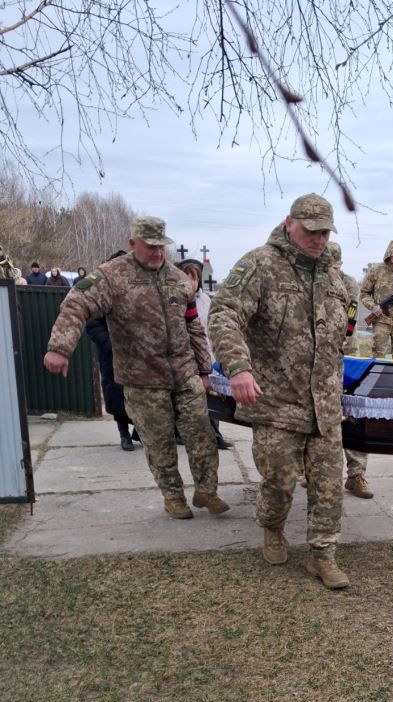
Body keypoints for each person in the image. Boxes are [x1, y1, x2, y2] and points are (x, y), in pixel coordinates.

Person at [43, 215, 228, 520]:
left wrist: (205, 371)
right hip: (142, 379)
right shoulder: (112, 276)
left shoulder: (179, 279)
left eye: (161, 247)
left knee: (202, 433)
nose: (157, 253)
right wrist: (60, 348)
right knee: (159, 443)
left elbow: (193, 325)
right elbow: (77, 304)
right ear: (132, 243)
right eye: (150, 247)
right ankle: (173, 497)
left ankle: (206, 490)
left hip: (184, 373)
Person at [208, 193, 350, 589]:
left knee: (327, 484)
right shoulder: (259, 265)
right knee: (278, 483)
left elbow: (338, 334)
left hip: (324, 405)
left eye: (325, 232)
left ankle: (323, 554)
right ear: (290, 223)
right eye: (311, 231)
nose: (319, 240)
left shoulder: (331, 275)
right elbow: (224, 314)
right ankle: (272, 527)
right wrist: (237, 367)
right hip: (276, 403)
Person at [327, 241, 374, 500]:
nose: (332, 272)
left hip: (346, 353)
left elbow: (351, 317)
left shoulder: (348, 284)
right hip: (317, 358)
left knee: (353, 412)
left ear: (340, 265)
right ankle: (307, 469)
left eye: (335, 267)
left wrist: (339, 346)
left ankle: (356, 474)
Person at [84, 250, 141, 451]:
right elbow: (92, 324)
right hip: (113, 356)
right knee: (117, 396)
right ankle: (124, 433)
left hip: (138, 356)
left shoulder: (138, 291)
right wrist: (111, 345)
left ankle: (139, 431)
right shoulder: (101, 292)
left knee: (141, 395)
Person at [176, 257, 233, 450]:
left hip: (207, 355)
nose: (192, 282)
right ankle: (195, 435)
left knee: (215, 397)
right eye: (188, 277)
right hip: (186, 360)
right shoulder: (176, 300)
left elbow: (209, 328)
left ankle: (215, 434)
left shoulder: (205, 299)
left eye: (195, 278)